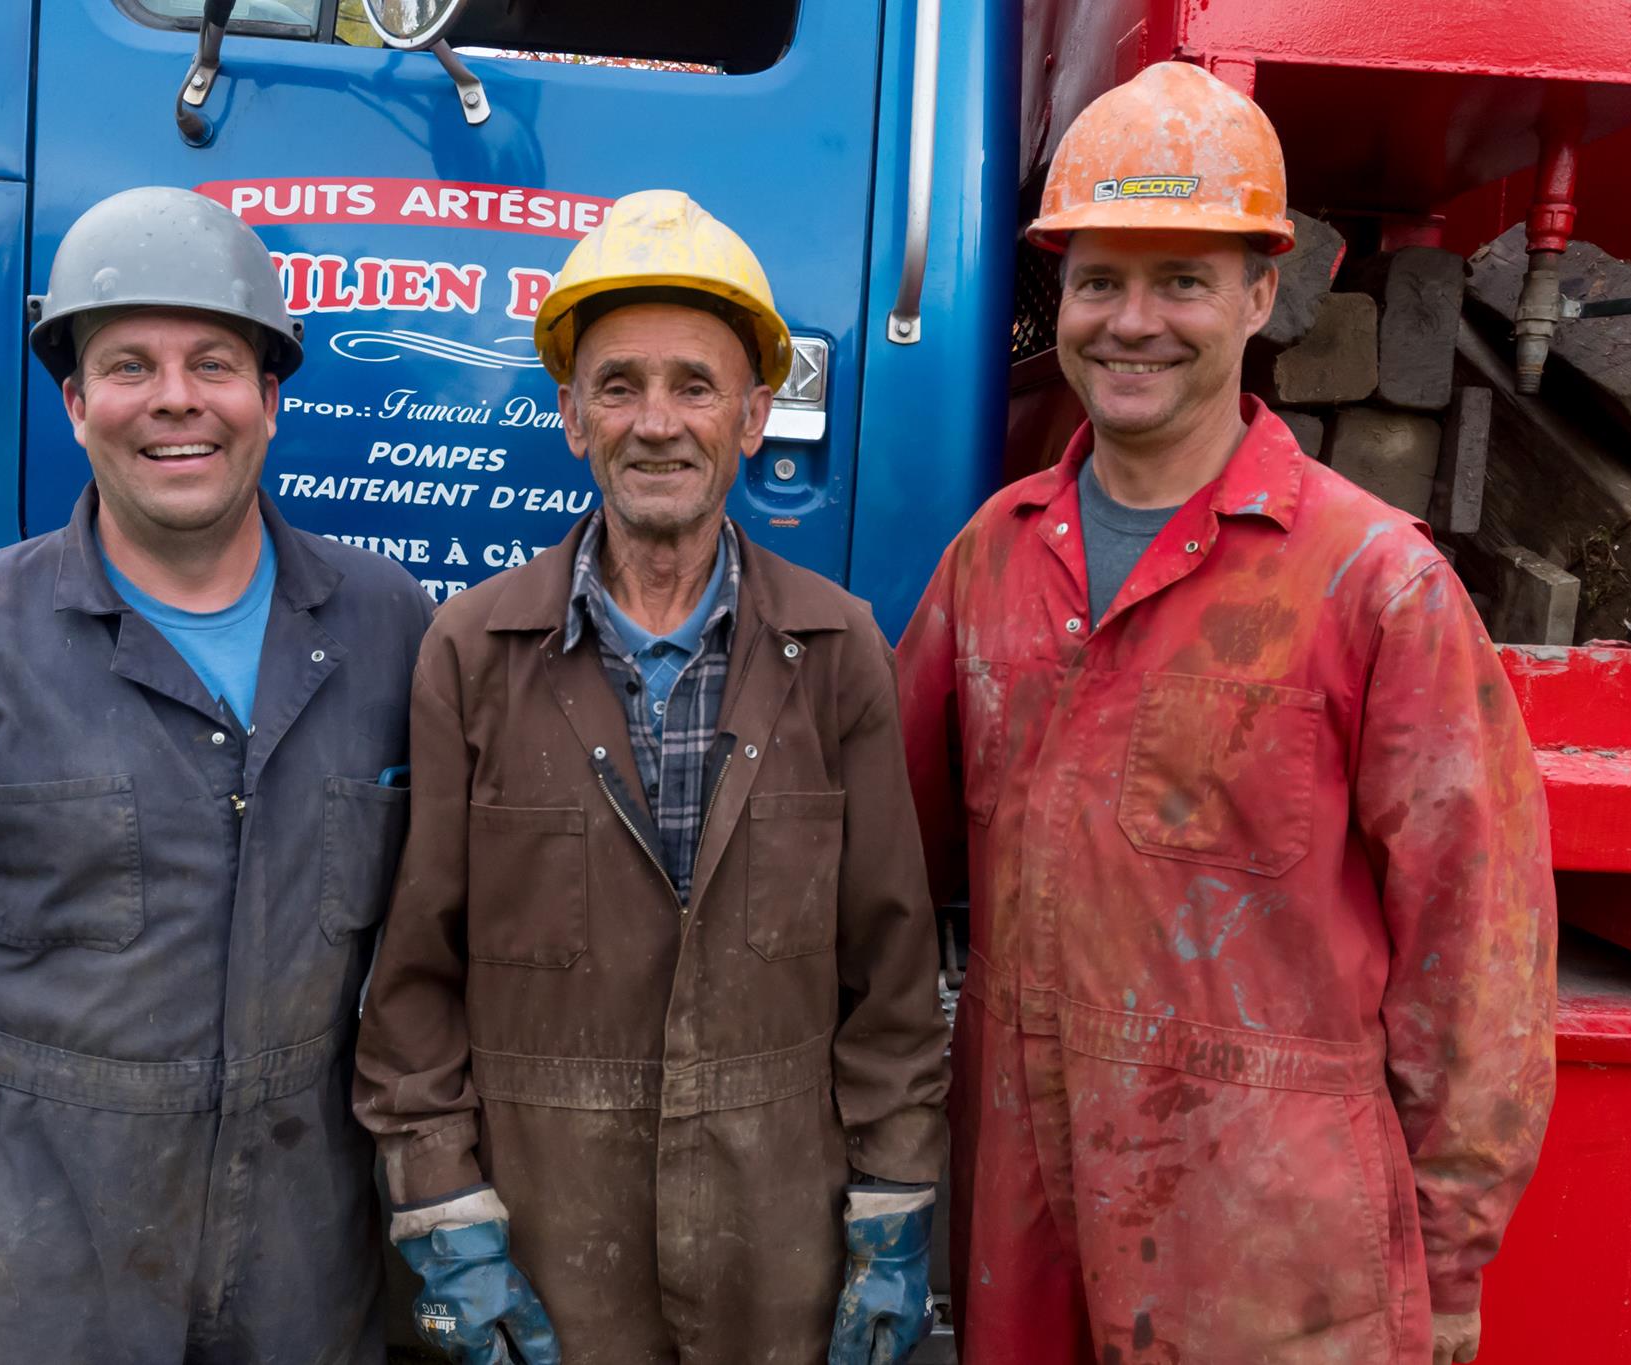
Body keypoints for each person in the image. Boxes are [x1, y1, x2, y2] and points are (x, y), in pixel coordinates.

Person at [896, 61, 1557, 1365]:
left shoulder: (1375, 585)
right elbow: (878, 868)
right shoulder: (993, 561)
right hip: (1028, 1238)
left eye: (1183, 281)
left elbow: (1480, 955)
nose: (1132, 321)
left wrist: (1449, 1249)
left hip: (1273, 1263)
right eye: (1099, 280)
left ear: (1262, 294)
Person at [0, 186, 433, 1365]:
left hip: (305, 1280)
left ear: (269, 398)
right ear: (74, 405)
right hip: (29, 1274)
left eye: (214, 363)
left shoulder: (389, 632)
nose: (176, 399)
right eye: (128, 366)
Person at [354, 189, 949, 1365]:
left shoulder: (836, 656)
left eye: (695, 385)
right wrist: (440, 1210)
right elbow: (411, 980)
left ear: (753, 413)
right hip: (542, 1258)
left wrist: (891, 1212)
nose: (656, 422)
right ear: (571, 417)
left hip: (774, 1259)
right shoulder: (470, 654)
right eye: (618, 386)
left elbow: (893, 979)